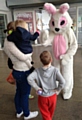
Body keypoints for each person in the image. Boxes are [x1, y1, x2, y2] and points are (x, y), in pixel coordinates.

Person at [3, 21, 38, 120]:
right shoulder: (10, 42)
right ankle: (27, 114)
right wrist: (30, 52)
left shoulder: (9, 40)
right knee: (25, 94)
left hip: (17, 70)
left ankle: (19, 111)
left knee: (19, 92)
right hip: (23, 71)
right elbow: (22, 57)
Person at [27, 51, 65, 120]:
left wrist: (37, 88)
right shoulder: (55, 70)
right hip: (53, 96)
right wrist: (58, 89)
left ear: (41, 61)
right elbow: (63, 82)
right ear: (51, 60)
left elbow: (29, 78)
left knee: (44, 113)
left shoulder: (37, 71)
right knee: (51, 112)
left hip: (42, 96)